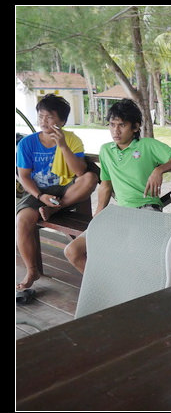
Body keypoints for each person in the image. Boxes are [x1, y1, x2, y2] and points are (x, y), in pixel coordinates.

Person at [63, 98, 171, 273]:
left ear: (135, 127)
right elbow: (106, 185)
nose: (115, 130)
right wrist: (98, 216)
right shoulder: (106, 150)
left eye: (122, 125)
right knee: (72, 251)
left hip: (147, 211)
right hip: (120, 212)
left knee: (128, 258)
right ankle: (104, 287)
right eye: (112, 124)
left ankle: (129, 295)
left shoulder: (147, 145)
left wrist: (158, 170)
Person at [16, 94, 99, 299]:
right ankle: (32, 270)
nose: (44, 121)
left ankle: (56, 208)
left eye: (50, 117)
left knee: (89, 178)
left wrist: (62, 146)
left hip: (66, 189)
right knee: (22, 221)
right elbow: (24, 176)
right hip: (38, 191)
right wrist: (40, 195)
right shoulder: (27, 144)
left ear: (61, 121)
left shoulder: (71, 139)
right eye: (41, 116)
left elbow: (80, 173)